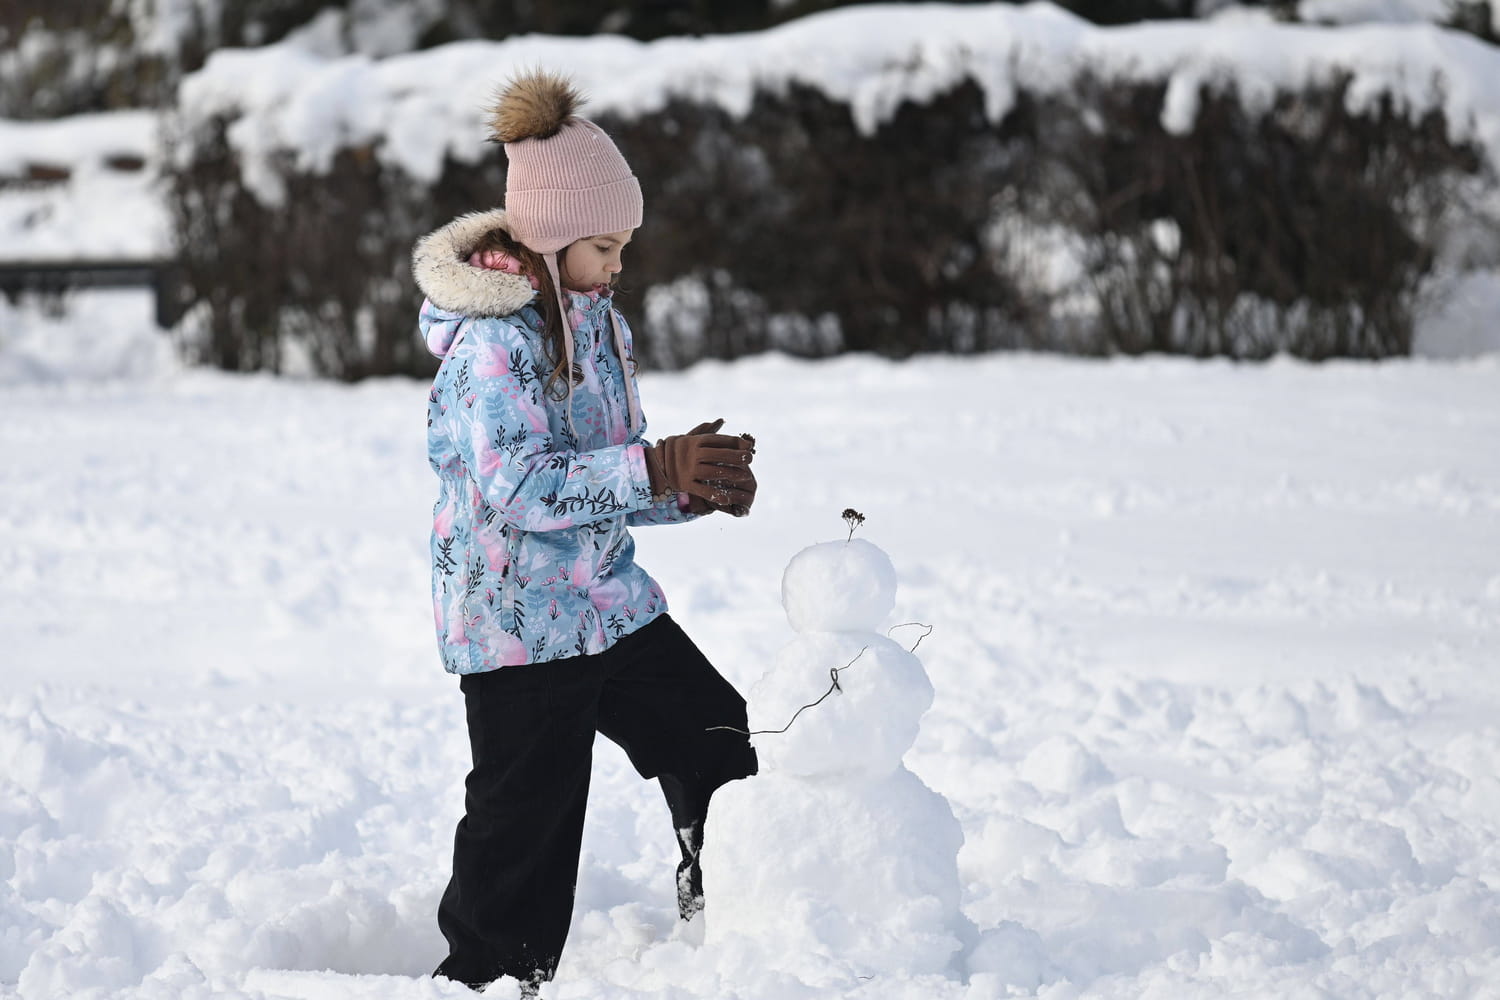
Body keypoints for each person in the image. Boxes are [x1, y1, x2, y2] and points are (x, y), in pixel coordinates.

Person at [410, 70, 760, 994]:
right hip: (519, 626)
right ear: (554, 238)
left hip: (606, 603)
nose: (618, 265)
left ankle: (751, 899)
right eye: (604, 245)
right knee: (526, 818)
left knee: (714, 735)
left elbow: (604, 469)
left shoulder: (595, 324)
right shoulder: (491, 346)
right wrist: (649, 471)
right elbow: (520, 486)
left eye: (624, 246)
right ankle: (488, 977)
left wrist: (683, 483)